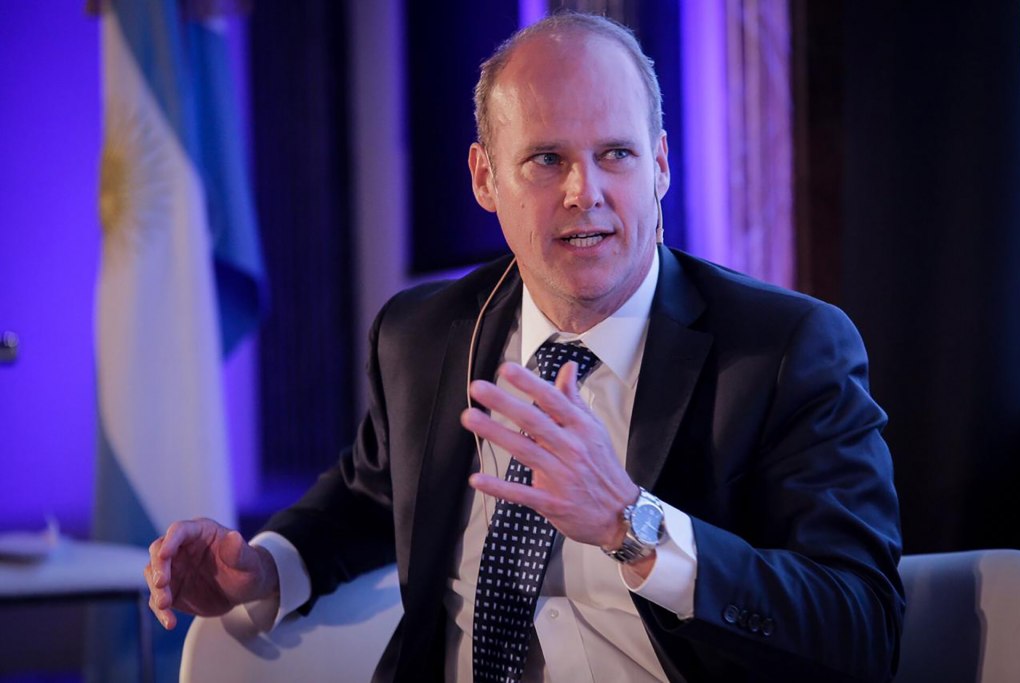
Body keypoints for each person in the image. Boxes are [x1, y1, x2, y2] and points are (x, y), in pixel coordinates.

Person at [146, 12, 904, 682]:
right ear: (485, 178)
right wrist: (262, 567)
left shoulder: (784, 351)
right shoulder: (421, 334)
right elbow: (373, 495)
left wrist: (631, 523)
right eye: (547, 159)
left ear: (662, 165)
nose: (585, 192)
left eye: (617, 154)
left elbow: (861, 628)